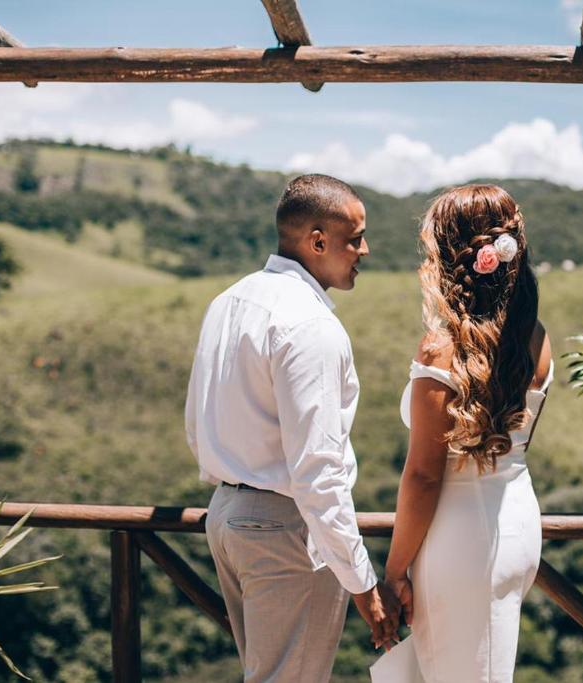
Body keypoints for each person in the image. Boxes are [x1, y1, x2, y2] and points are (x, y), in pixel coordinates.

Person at [185, 173, 401, 683]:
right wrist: (362, 583)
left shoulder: (229, 302)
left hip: (227, 517)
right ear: (318, 240)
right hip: (284, 529)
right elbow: (318, 473)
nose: (365, 250)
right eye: (355, 238)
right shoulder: (310, 326)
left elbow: (197, 423)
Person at [381, 184, 552, 682]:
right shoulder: (536, 339)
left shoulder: (440, 351)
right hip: (517, 526)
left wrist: (393, 573)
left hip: (460, 543)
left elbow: (423, 477)